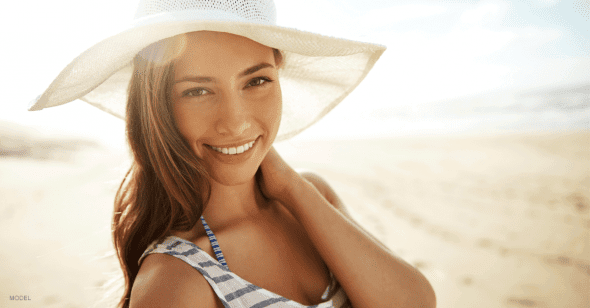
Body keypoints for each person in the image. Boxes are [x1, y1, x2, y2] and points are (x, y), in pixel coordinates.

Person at [29, 0, 436, 307]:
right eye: (198, 90)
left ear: (279, 73)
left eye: (256, 80)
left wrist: (292, 187)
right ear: (158, 107)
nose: (236, 123)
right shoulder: (176, 280)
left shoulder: (310, 197)